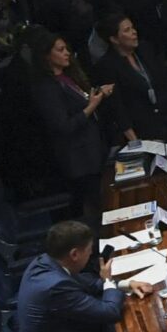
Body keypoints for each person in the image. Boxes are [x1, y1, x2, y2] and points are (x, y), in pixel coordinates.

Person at [18, 220, 131, 332]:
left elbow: (88, 284)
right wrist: (108, 281)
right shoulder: (54, 285)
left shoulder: (45, 262)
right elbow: (110, 312)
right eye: (89, 250)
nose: (91, 253)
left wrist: (127, 284)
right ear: (75, 254)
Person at [26, 28, 112, 219]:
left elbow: (78, 102)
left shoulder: (67, 76)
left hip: (94, 149)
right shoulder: (46, 87)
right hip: (79, 159)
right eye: (61, 50)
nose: (67, 53)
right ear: (47, 55)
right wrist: (92, 106)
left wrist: (96, 94)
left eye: (66, 49)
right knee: (95, 209)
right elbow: (64, 126)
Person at [90, 11, 167, 145]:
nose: (134, 32)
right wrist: (134, 140)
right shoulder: (107, 66)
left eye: (133, 27)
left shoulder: (146, 49)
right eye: (127, 30)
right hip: (144, 130)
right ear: (114, 39)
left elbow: (164, 82)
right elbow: (118, 107)